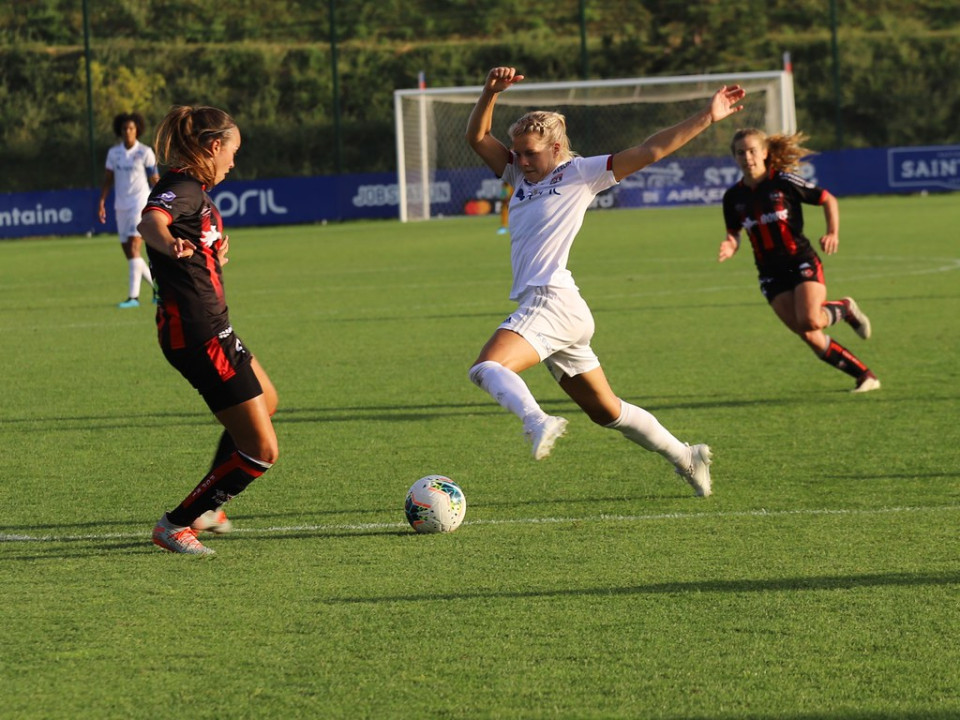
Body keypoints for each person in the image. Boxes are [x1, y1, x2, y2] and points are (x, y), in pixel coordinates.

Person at [464, 66, 747, 497]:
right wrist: (489, 93)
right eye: (517, 153)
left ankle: (537, 419)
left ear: (556, 148)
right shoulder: (520, 175)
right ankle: (687, 456)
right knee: (607, 411)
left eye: (530, 153)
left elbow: (650, 149)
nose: (520, 160)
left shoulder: (581, 173)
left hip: (551, 302)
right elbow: (478, 139)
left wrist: (707, 116)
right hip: (564, 309)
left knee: (487, 367)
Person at [138, 105, 279, 554]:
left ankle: (207, 509)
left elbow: (184, 234)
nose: (233, 163)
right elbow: (150, 223)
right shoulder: (180, 187)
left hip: (213, 328)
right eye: (232, 152)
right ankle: (178, 523)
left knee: (268, 401)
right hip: (198, 334)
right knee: (261, 450)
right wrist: (170, 241)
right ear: (213, 146)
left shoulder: (193, 191)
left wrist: (209, 249)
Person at [719, 128, 879, 393]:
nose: (747, 157)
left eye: (752, 151)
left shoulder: (783, 181)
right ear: (734, 157)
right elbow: (733, 233)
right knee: (806, 333)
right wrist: (729, 245)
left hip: (800, 260)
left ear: (765, 152)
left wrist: (832, 232)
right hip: (769, 273)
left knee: (811, 321)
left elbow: (828, 199)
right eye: (740, 152)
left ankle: (846, 309)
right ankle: (865, 376)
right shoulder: (733, 197)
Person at [98, 112, 160, 308]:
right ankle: (159, 288)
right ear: (120, 131)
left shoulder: (145, 152)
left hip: (139, 204)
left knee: (135, 248)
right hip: (121, 206)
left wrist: (161, 201)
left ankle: (133, 298)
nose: (128, 132)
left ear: (137, 130)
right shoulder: (113, 154)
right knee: (130, 254)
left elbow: (154, 179)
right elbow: (108, 179)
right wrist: (102, 201)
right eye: (125, 128)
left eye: (131, 128)